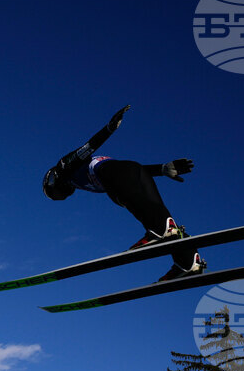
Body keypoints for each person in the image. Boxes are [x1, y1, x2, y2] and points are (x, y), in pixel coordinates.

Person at [42, 105, 206, 282]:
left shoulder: (65, 167)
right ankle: (188, 263)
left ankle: (160, 231)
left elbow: (88, 147)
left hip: (121, 174)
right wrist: (162, 169)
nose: (64, 194)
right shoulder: (79, 181)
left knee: (129, 202)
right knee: (165, 219)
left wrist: (109, 129)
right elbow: (128, 173)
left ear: (54, 180)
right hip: (135, 171)